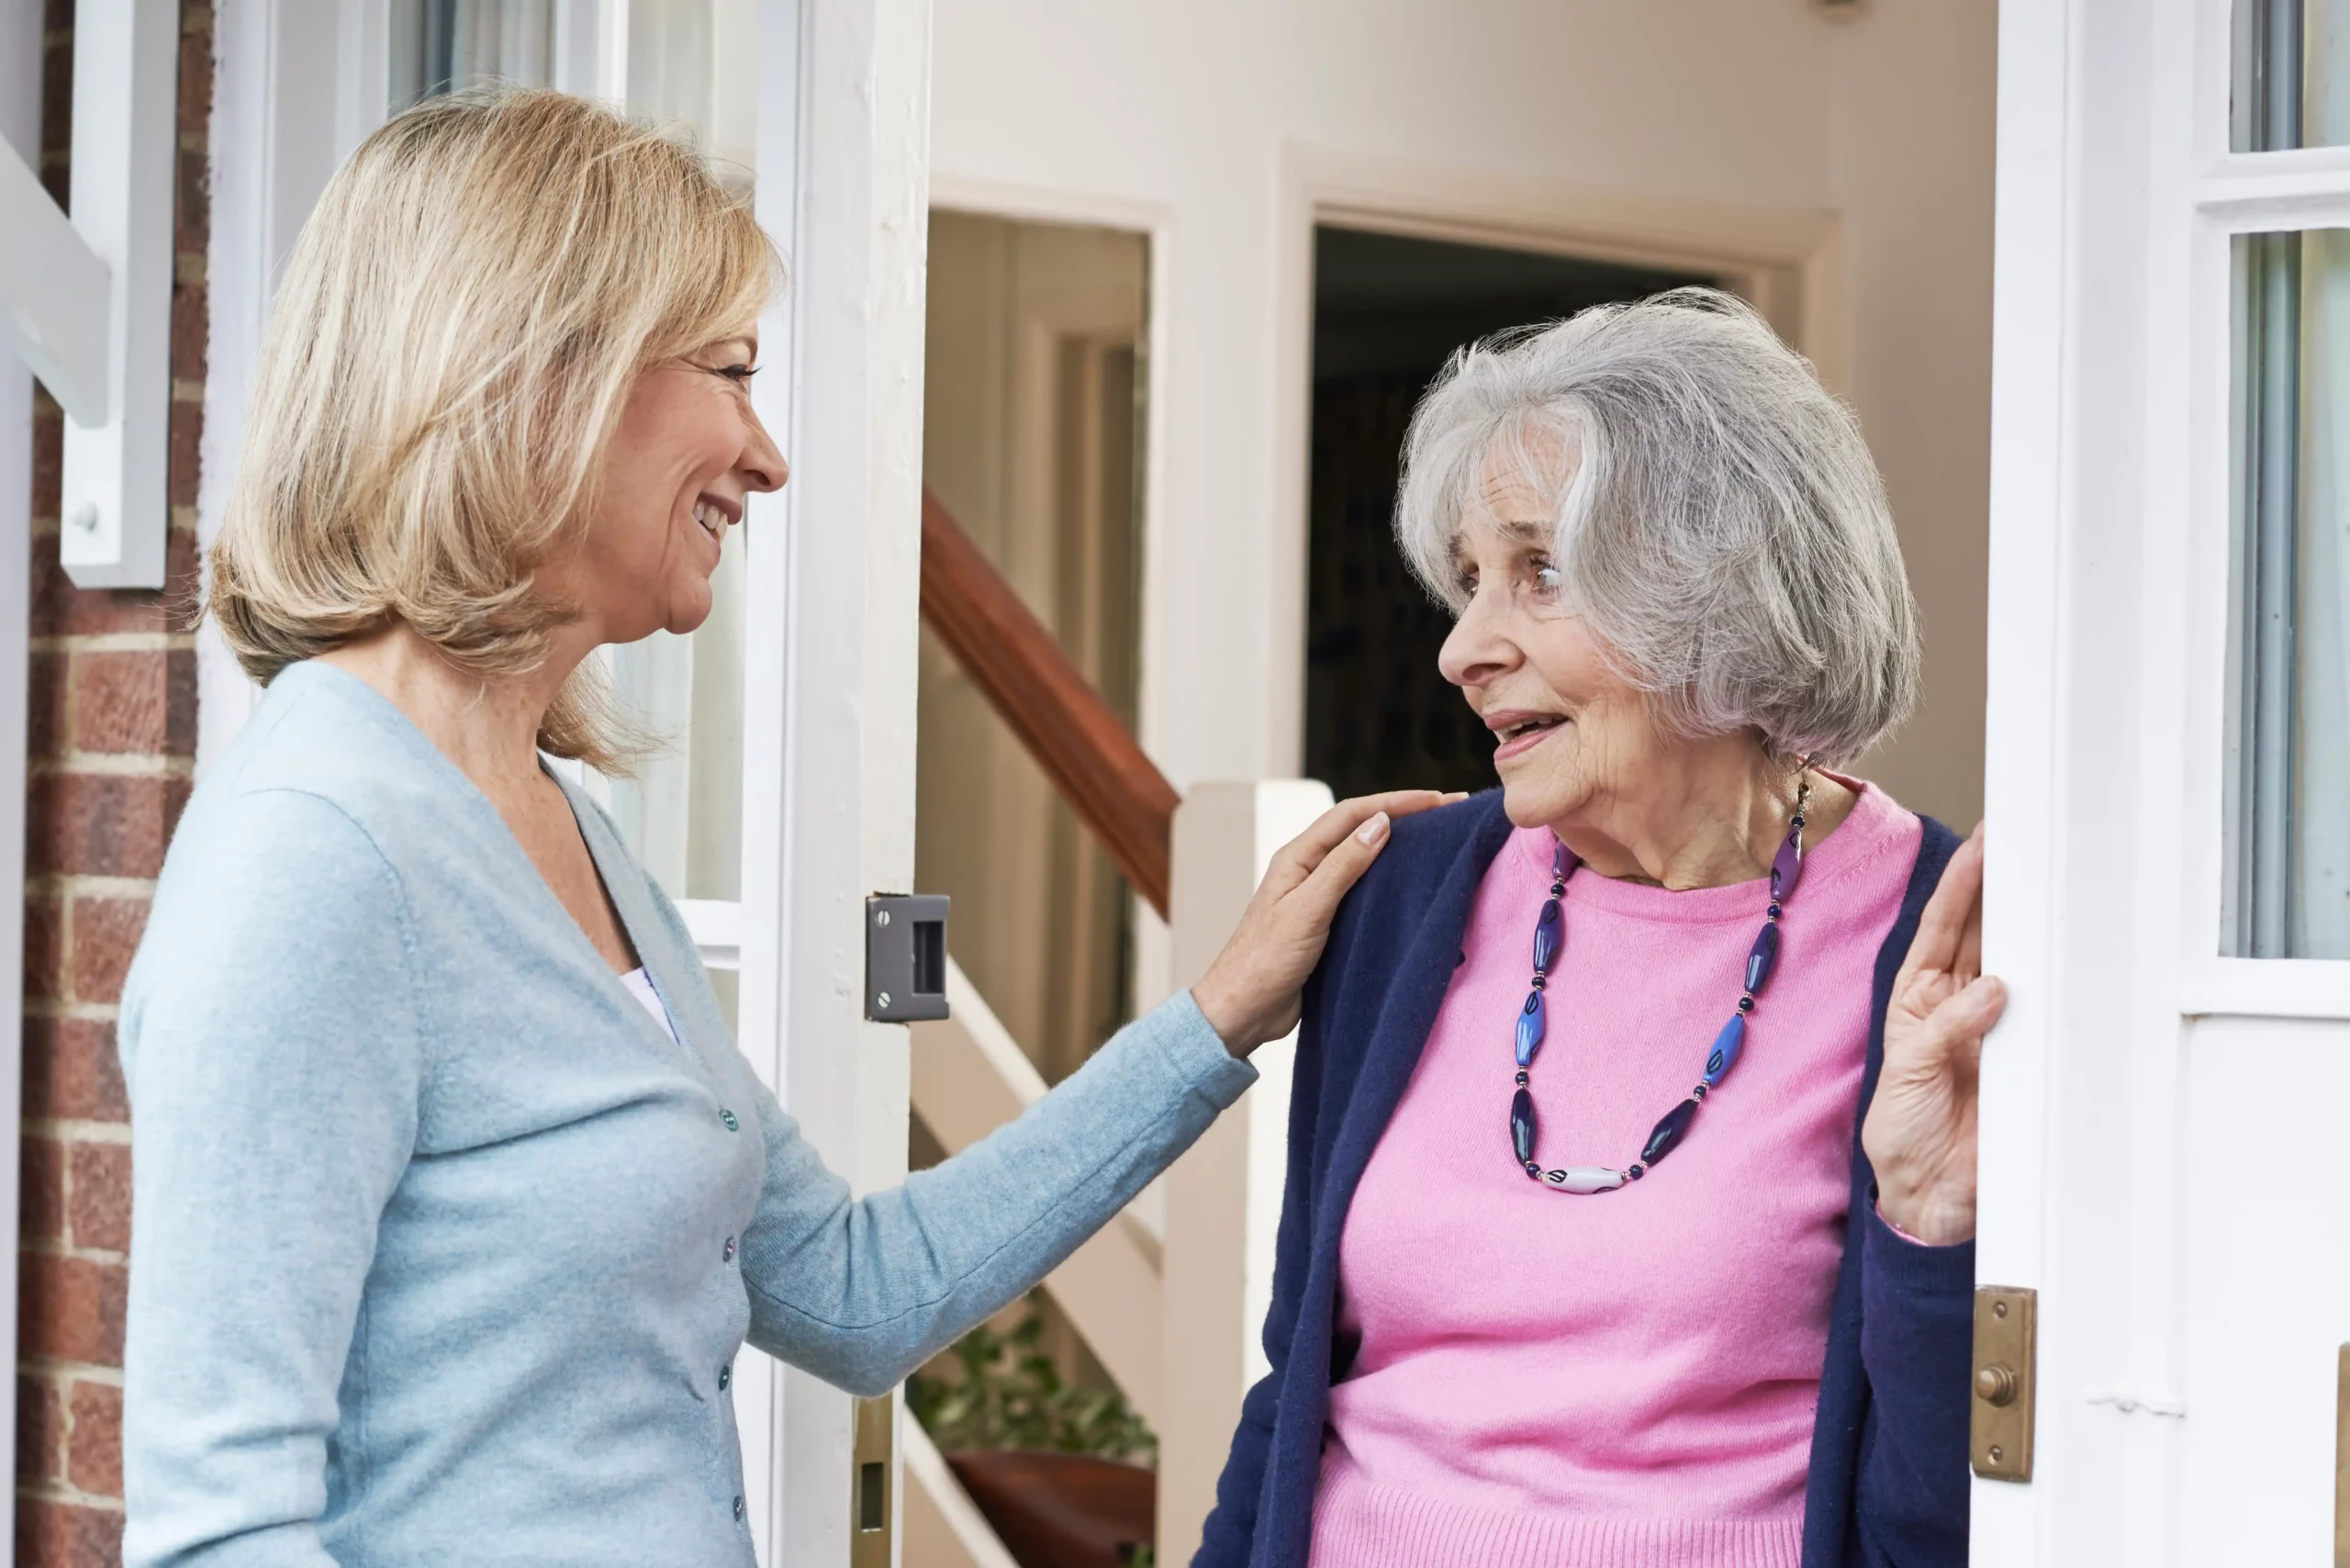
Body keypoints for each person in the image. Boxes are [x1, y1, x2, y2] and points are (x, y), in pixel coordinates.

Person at [118, 90, 1443, 1568]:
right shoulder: (317, 855)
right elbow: (213, 1535)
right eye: (733, 373)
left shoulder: (560, 825)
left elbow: (860, 1292)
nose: (768, 455)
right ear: (535, 374)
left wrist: (1220, 1014)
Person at [1198, 291, 2005, 1568]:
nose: (1465, 648)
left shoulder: (1943, 943)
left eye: (1541, 573)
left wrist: (1926, 1234)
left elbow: (1951, 1512)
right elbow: (1294, 1381)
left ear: (1721, 587)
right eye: (1469, 582)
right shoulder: (1399, 899)